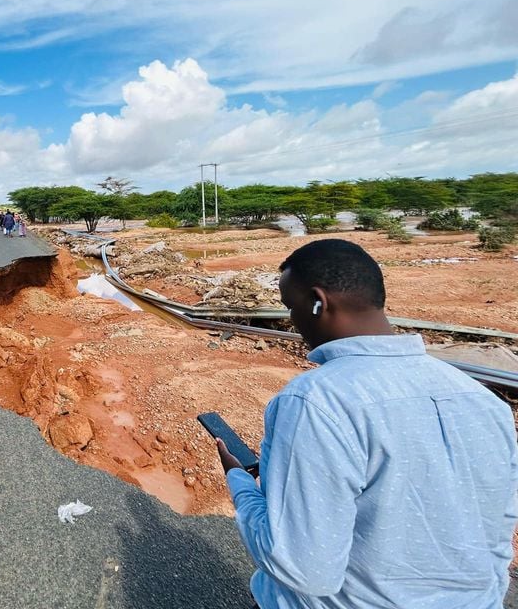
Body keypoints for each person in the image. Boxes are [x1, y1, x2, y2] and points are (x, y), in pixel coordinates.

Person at [214, 238, 518, 609]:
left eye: (290, 307)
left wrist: (241, 484)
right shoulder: (482, 399)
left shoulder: (314, 400)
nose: (292, 321)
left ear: (317, 302)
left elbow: (303, 569)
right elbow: (498, 526)